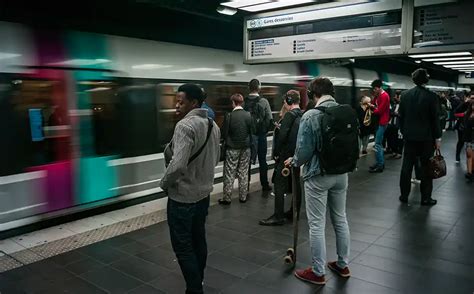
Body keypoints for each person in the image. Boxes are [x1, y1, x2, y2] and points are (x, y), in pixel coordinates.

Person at [285, 77, 352, 285]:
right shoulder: (345, 111)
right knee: (340, 219)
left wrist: (293, 161)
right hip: (342, 174)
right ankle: (342, 264)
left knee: (316, 224)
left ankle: (317, 271)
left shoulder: (311, 115)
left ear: (313, 94)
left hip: (318, 175)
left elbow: (303, 152)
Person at [160, 83, 220, 294]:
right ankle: (198, 282)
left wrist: (164, 184)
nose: (177, 105)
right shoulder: (213, 125)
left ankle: (194, 290)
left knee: (183, 246)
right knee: (198, 240)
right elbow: (215, 158)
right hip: (203, 195)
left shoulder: (185, 126)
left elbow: (177, 165)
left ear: (193, 103)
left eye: (180, 101)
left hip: (182, 199)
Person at [398, 69, 442, 206]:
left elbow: (401, 116)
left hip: (409, 137)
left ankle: (404, 196)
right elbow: (435, 119)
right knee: (426, 169)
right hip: (426, 139)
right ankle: (425, 198)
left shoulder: (404, 95)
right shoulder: (432, 96)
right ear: (426, 80)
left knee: (406, 167)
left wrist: (404, 131)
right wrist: (438, 138)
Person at [260, 90, 303, 226]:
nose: (284, 103)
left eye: (285, 101)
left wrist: (277, 154)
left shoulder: (289, 115)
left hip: (285, 157)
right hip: (295, 155)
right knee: (296, 183)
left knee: (279, 184)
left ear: (290, 101)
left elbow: (282, 137)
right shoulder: (301, 114)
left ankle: (278, 216)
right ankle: (293, 212)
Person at [218, 93, 253, 204]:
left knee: (229, 172)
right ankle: (243, 196)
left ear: (233, 103)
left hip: (232, 148)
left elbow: (224, 132)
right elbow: (252, 131)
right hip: (246, 148)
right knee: (243, 172)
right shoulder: (248, 115)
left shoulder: (229, 116)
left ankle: (227, 198)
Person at [244, 79, 273, 191]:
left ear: (249, 88)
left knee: (247, 162)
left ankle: (245, 186)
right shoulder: (264, 101)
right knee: (262, 160)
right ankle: (264, 184)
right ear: (259, 88)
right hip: (261, 136)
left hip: (248, 136)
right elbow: (269, 119)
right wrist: (264, 131)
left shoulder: (244, 101)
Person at [368, 79, 390, 173]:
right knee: (378, 144)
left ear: (379, 88)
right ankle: (378, 162)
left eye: (375, 89)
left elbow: (380, 111)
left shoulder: (385, 96)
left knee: (377, 144)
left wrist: (372, 109)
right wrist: (372, 102)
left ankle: (380, 164)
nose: (374, 90)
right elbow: (374, 104)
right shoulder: (379, 95)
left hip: (382, 122)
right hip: (379, 122)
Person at [454, 91, 473, 163]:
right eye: (471, 98)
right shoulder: (464, 104)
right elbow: (455, 114)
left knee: (470, 144)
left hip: (471, 127)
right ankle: (457, 155)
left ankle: (470, 160)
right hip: (462, 126)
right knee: (461, 141)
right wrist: (464, 114)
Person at [386, 90, 403, 159]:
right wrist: (394, 113)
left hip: (399, 125)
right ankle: (394, 151)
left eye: (396, 96)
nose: (394, 98)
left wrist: (396, 114)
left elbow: (403, 115)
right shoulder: (394, 105)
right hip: (392, 124)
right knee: (393, 138)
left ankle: (399, 153)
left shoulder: (403, 105)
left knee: (399, 139)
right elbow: (391, 113)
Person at [463, 100, 474, 182]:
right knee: (469, 155)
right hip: (468, 138)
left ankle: (470, 172)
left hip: (471, 138)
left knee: (471, 156)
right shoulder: (468, 114)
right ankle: (469, 173)